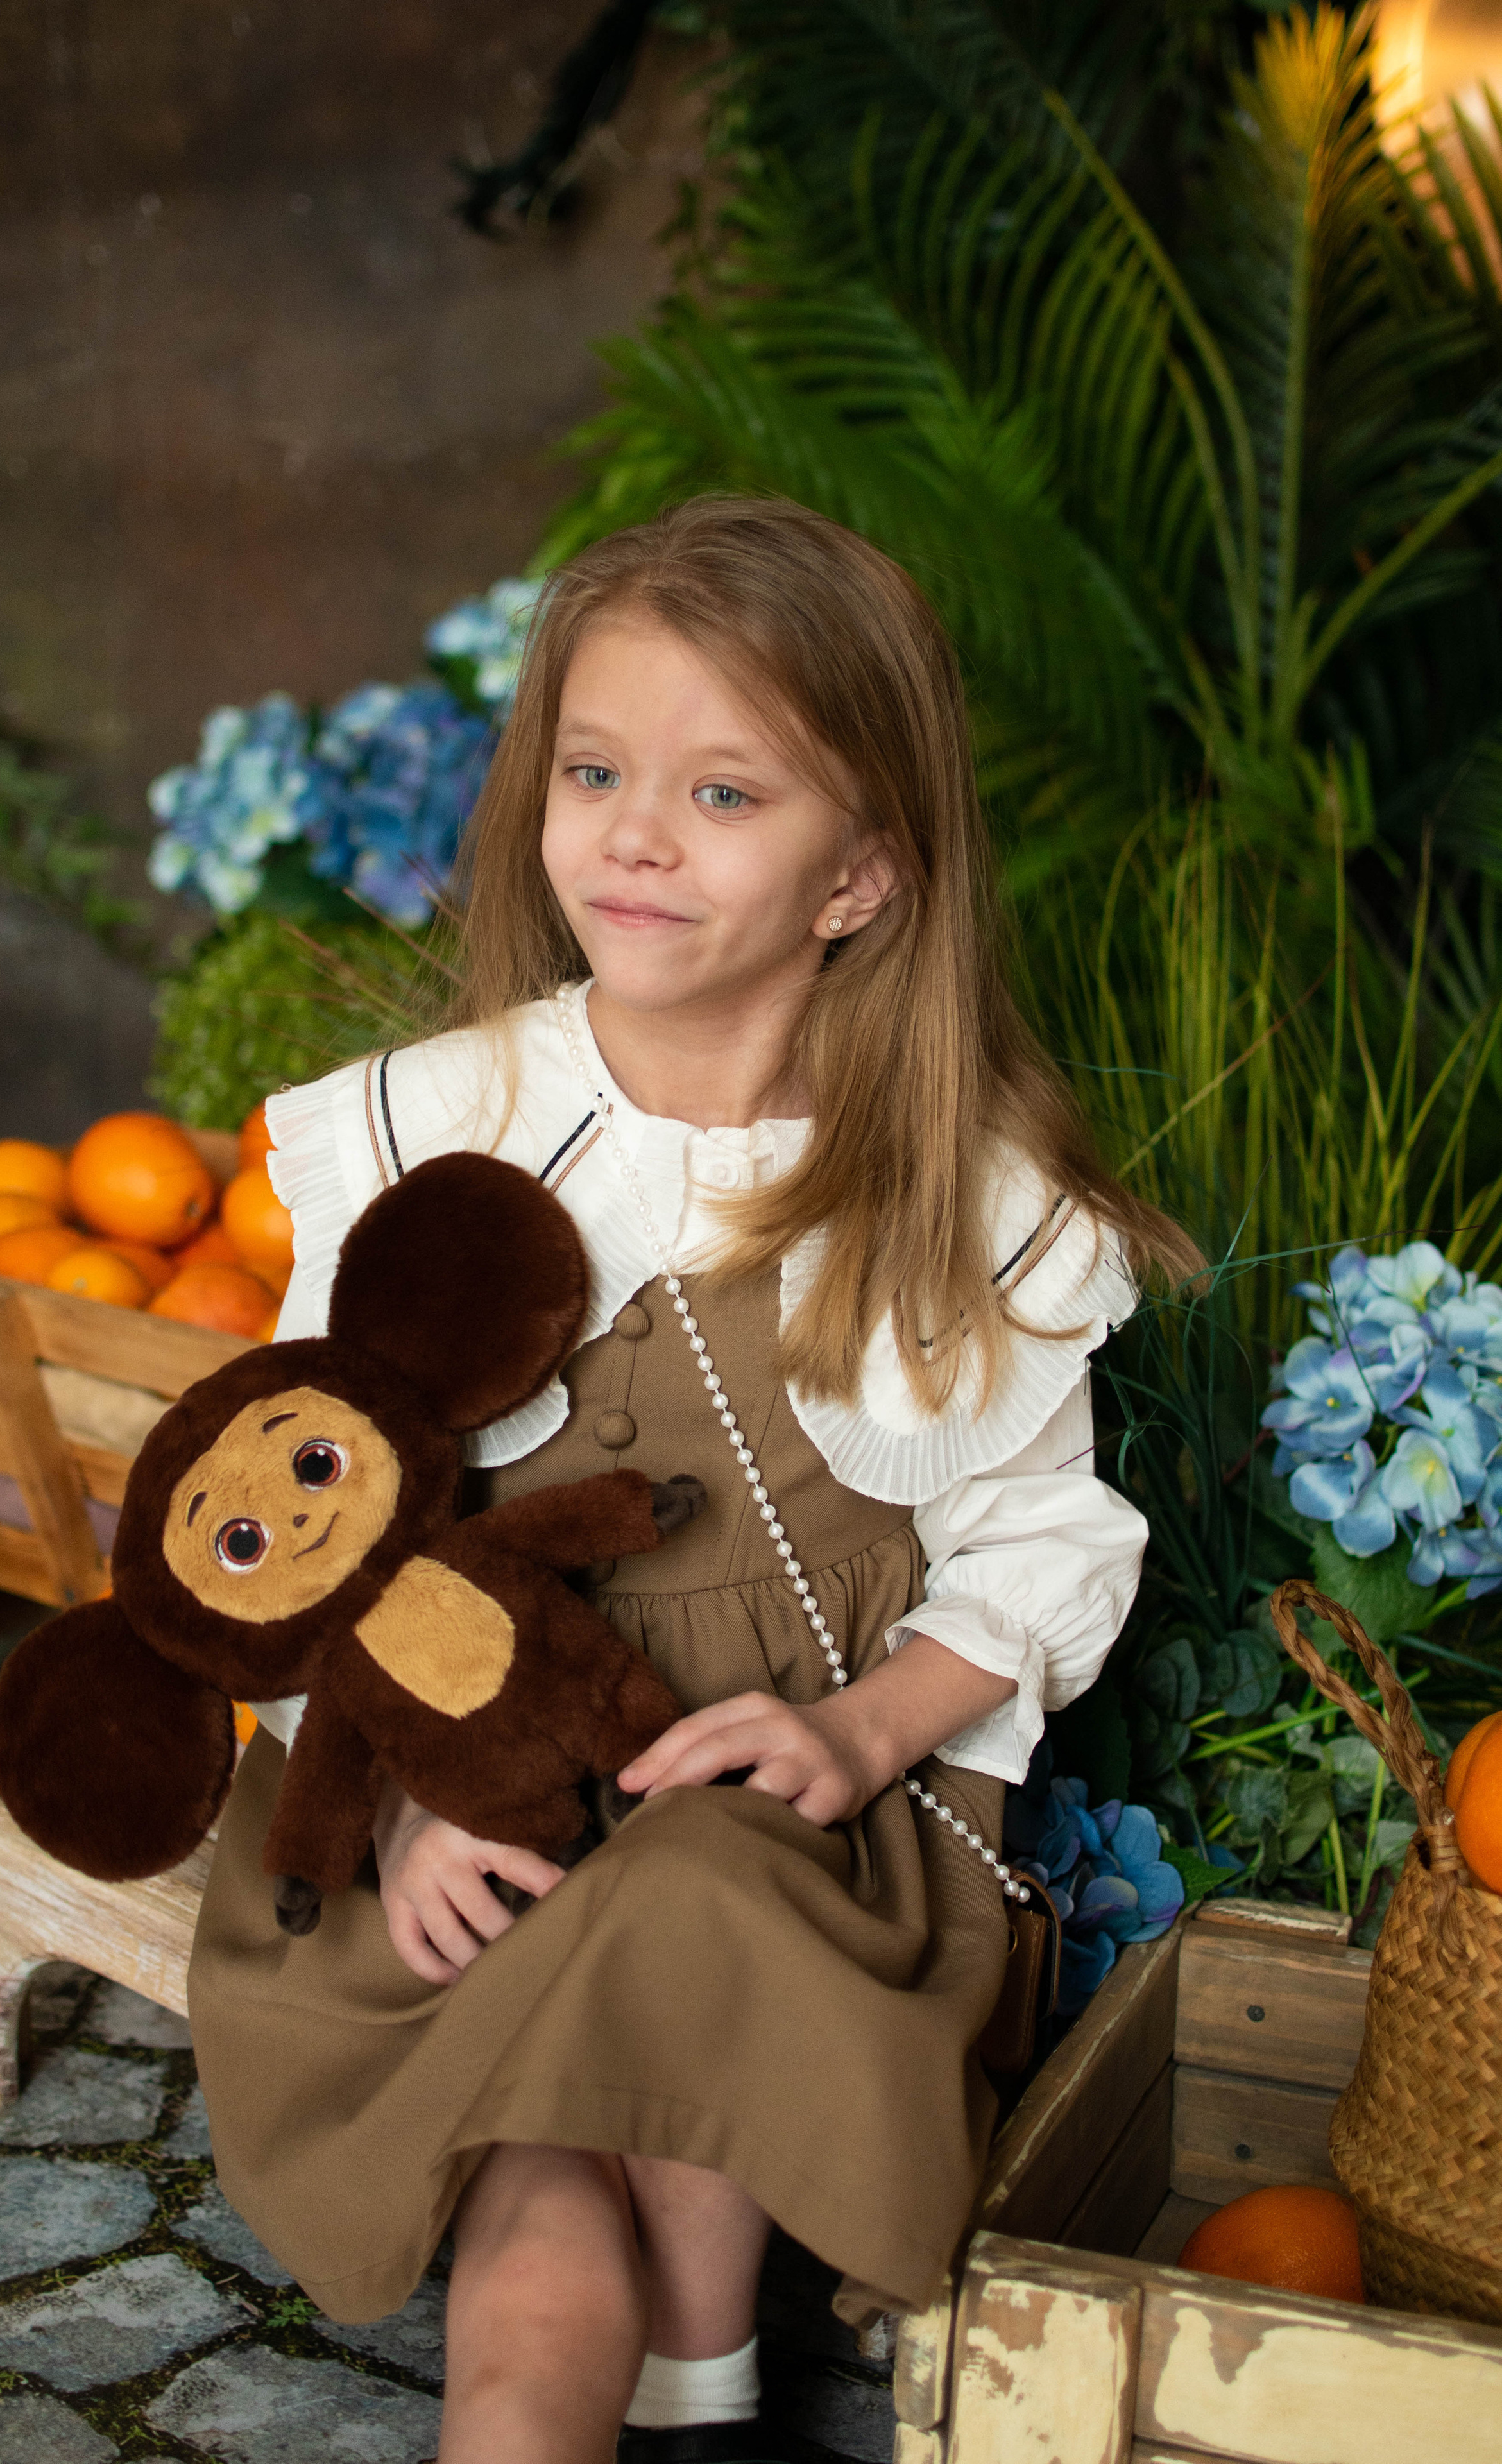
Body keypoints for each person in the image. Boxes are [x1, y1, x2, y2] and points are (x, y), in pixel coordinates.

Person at [186, 495, 1198, 2464]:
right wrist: (396, 1808)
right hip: (460, 1780)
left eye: (724, 793)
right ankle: (571, 2415)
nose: (633, 834)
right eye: (593, 771)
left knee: (706, 1911)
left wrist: (861, 1728)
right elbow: (289, 1524)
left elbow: (1037, 1535)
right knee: (542, 2192)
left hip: (776, 1793)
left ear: (861, 879)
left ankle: (706, 2388)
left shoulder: (954, 1200)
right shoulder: (436, 1135)